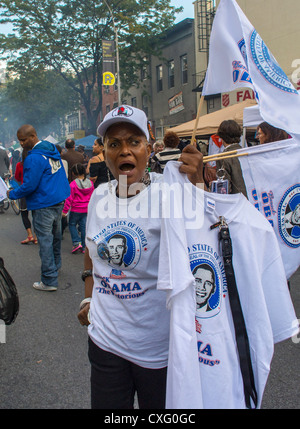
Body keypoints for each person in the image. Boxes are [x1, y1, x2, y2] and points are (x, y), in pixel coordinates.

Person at [77, 104, 205, 409]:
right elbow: (90, 251)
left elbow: (204, 235)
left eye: (134, 142)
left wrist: (199, 181)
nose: (125, 151)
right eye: (114, 144)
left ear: (149, 148)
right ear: (104, 153)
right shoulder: (98, 196)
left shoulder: (170, 194)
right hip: (105, 342)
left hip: (158, 350)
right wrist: (87, 298)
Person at [7, 125, 70, 292]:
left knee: (45, 242)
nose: (20, 143)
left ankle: (49, 279)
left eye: (23, 139)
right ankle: (56, 266)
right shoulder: (52, 150)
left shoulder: (33, 157)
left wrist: (11, 194)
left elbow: (29, 186)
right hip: (58, 199)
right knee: (55, 237)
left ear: (33, 136)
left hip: (43, 203)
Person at [62, 163, 94, 254]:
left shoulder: (73, 184)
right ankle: (84, 246)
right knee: (83, 227)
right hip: (86, 209)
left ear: (74, 173)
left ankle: (76, 243)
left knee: (72, 225)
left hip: (75, 209)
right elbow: (92, 197)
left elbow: (69, 199)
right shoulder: (90, 183)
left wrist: (65, 211)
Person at [215, 120, 248, 198]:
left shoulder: (223, 157)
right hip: (251, 200)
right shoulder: (246, 153)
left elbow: (223, 189)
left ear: (221, 136)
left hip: (236, 202)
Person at [14, 148, 38, 245]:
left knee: (24, 213)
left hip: (24, 190)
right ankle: (36, 237)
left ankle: (30, 235)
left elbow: (17, 177)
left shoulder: (20, 165)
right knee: (36, 214)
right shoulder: (36, 164)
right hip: (35, 191)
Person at [0, 142, 10, 213]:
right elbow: (7, 162)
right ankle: (1, 204)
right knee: (2, 188)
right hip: (3, 172)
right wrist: (6, 169)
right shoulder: (3, 151)